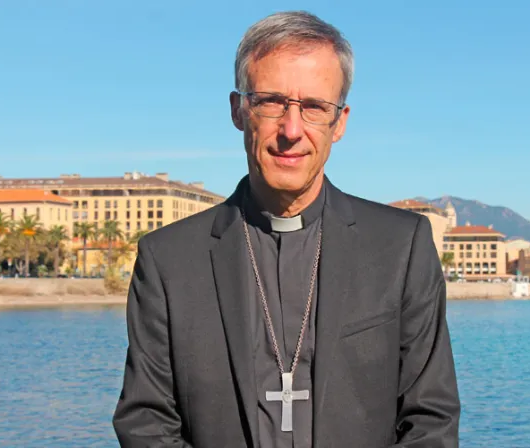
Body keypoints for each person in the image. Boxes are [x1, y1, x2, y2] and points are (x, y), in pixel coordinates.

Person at [113, 10, 460, 448]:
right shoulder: (168, 260)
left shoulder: (400, 246)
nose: (291, 130)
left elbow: (431, 420)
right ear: (239, 111)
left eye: (314, 106)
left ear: (340, 123)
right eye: (271, 101)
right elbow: (146, 424)